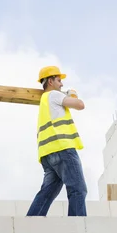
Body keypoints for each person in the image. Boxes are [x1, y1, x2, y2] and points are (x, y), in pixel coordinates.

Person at [26, 65, 88, 217]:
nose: (62, 84)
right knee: (78, 189)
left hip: (48, 154)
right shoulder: (54, 94)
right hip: (63, 149)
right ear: (50, 81)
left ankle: (30, 223)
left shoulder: (44, 101)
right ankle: (78, 226)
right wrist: (72, 95)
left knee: (48, 192)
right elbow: (80, 105)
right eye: (59, 80)